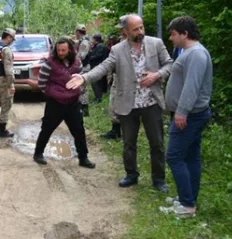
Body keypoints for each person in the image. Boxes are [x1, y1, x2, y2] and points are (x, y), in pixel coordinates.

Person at [66, 14, 173, 191]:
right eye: (135, 29)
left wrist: (157, 75)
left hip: (152, 103)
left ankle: (159, 179)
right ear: (125, 31)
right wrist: (84, 78)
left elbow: (169, 65)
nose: (140, 31)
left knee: (157, 144)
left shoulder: (156, 43)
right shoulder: (117, 49)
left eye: (142, 27)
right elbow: (103, 67)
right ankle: (131, 175)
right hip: (127, 104)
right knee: (128, 143)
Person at [159, 16, 212, 218]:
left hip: (190, 115)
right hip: (191, 114)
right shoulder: (190, 52)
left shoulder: (196, 54)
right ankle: (187, 199)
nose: (171, 38)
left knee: (173, 156)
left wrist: (182, 111)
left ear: (184, 34)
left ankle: (187, 206)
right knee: (191, 157)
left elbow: (192, 86)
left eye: (173, 34)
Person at [30, 37, 96, 169]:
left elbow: (82, 81)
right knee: (47, 129)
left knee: (79, 131)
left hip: (73, 103)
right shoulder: (50, 63)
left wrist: (80, 96)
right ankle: (38, 154)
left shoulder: (77, 63)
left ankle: (83, 158)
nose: (60, 52)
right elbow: (42, 81)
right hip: (55, 103)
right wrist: (51, 93)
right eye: (58, 50)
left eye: (63, 50)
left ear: (70, 49)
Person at [101, 20, 127, 140]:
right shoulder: (121, 41)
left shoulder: (135, 43)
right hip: (117, 78)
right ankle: (115, 131)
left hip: (125, 80)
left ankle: (123, 133)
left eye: (122, 28)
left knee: (122, 106)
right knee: (113, 105)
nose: (120, 30)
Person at [74, 24, 91, 116]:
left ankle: (84, 110)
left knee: (83, 88)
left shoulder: (84, 42)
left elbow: (81, 56)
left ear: (78, 32)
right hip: (82, 67)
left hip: (84, 68)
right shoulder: (82, 41)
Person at [88, 33, 109, 103]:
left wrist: (89, 58)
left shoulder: (100, 46)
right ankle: (99, 95)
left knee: (96, 83)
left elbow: (98, 56)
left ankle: (98, 98)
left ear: (96, 39)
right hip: (99, 66)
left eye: (93, 39)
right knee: (98, 83)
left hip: (97, 66)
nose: (92, 40)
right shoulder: (99, 46)